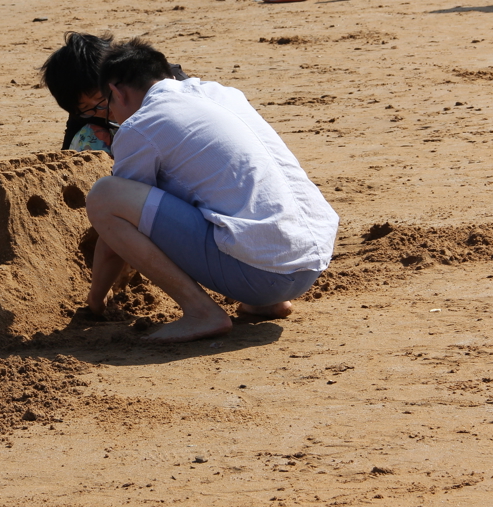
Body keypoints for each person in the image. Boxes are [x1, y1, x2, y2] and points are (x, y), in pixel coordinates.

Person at [82, 40, 339, 343]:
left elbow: (114, 221)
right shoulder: (222, 93)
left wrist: (95, 301)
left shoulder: (141, 124)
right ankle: (267, 303)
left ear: (117, 91)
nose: (115, 116)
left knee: (105, 195)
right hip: (311, 263)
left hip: (260, 276)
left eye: (109, 107)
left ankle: (200, 312)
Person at [40, 31, 189, 154]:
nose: (101, 110)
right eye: (85, 109)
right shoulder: (87, 110)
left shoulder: (164, 83)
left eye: (102, 98)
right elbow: (68, 157)